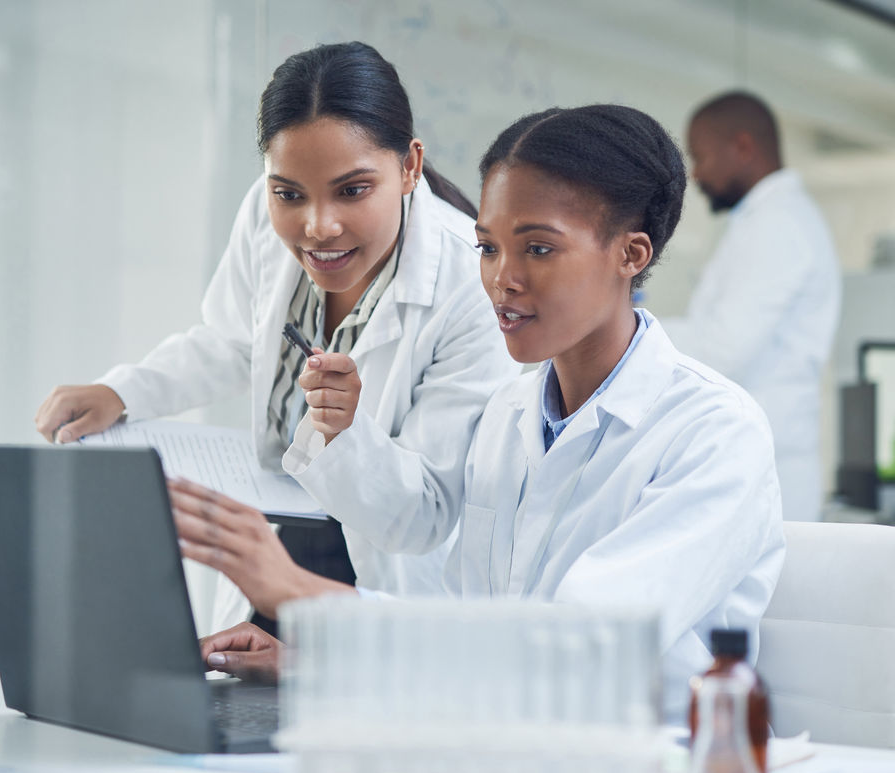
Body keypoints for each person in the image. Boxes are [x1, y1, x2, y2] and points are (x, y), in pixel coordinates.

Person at [171, 104, 785, 722]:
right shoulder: (509, 417)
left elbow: (578, 648)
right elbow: (468, 631)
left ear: (631, 254)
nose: (502, 279)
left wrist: (302, 592)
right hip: (506, 752)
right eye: (488, 248)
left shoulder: (714, 433)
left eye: (538, 249)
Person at [33, 43, 516, 608]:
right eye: (289, 194)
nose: (317, 226)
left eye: (352, 190)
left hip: (386, 583)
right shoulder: (263, 216)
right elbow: (233, 340)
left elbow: (425, 514)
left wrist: (343, 433)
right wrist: (123, 391)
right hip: (277, 545)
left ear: (408, 166)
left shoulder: (470, 283)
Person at [667, 91, 840, 522]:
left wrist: (620, 328)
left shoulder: (779, 225)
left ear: (743, 148)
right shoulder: (765, 222)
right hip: (756, 461)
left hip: (770, 470)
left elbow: (723, 351)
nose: (696, 173)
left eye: (701, 157)